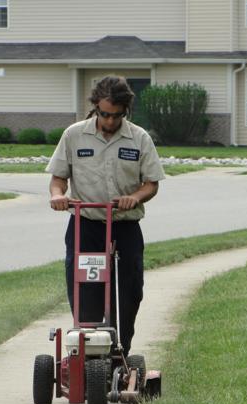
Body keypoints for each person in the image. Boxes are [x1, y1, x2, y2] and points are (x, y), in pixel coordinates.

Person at [46, 75, 165, 357]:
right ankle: (88, 351)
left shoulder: (139, 138)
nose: (110, 121)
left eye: (117, 116)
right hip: (86, 225)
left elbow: (151, 183)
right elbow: (58, 178)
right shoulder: (74, 135)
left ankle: (120, 353)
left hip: (124, 226)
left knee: (130, 290)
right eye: (105, 114)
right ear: (95, 107)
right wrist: (57, 196)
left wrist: (134, 198)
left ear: (126, 111)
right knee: (85, 287)